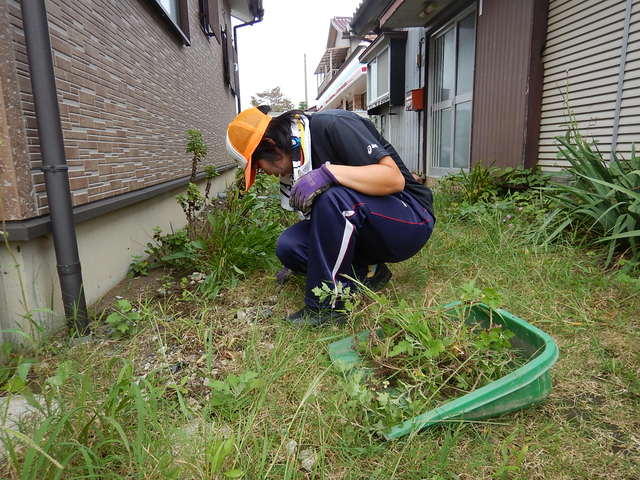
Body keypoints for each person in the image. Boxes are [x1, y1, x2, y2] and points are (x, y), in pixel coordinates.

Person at [226, 106, 435, 326]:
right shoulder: (300, 157)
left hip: (410, 217)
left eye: (259, 167)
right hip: (366, 222)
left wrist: (330, 172)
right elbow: (323, 223)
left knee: (334, 198)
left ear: (270, 145)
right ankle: (369, 272)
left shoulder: (334, 125)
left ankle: (327, 306)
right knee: (290, 246)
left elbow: (394, 179)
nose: (265, 173)